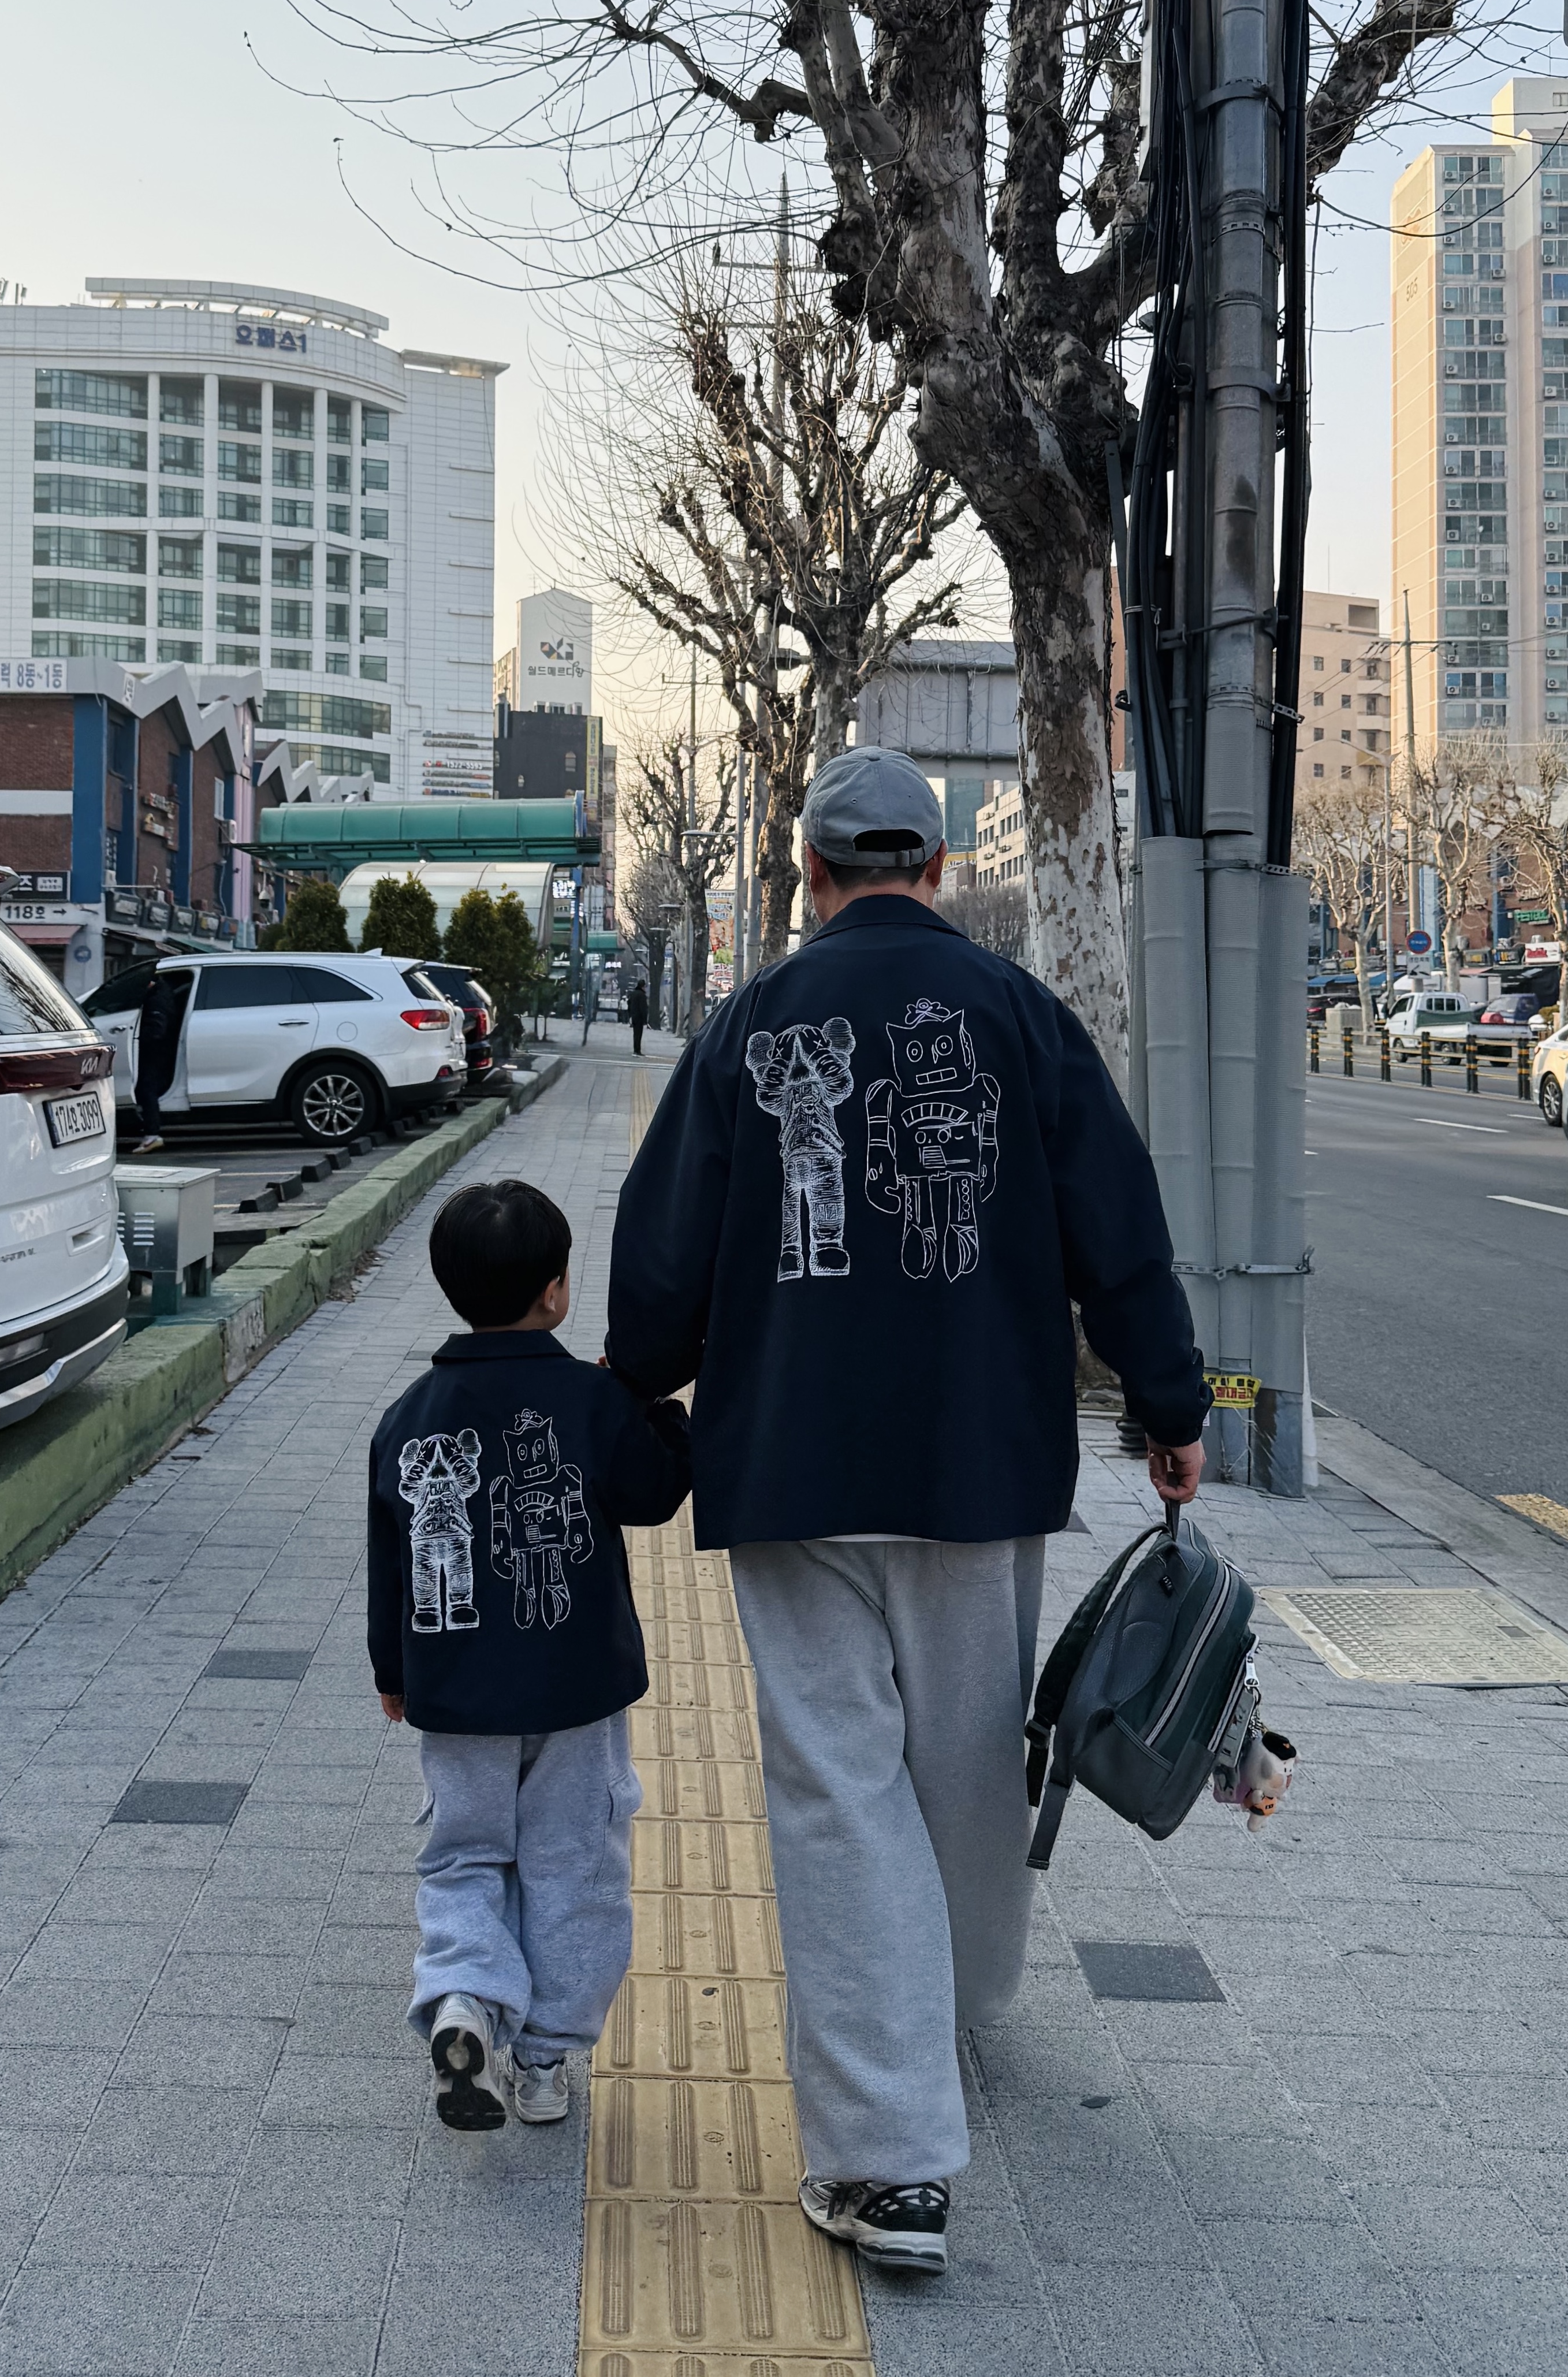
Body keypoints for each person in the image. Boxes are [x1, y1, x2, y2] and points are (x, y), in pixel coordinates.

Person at [605, 746, 1209, 2276]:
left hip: (792, 1463)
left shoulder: (747, 1022)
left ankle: (885, 2157)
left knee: (834, 1783)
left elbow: (664, 1252)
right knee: (960, 1755)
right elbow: (1115, 1217)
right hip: (978, 1460)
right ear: (933, 870)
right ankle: (948, 2010)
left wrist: (643, 1388)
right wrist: (1167, 1402)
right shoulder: (1020, 1017)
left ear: (809, 871)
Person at [369, 1180, 692, 2131]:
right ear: (557, 1291)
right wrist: (661, 1412)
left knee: (464, 1854)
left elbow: (390, 1557)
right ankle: (546, 2062)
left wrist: (394, 1672)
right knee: (573, 1864)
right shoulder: (591, 1401)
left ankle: (464, 1998)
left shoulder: (409, 1416)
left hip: (456, 1689)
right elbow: (655, 1492)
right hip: (576, 1684)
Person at [128, 965, 191, 1153]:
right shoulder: (162, 992)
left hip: (157, 1050)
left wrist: (138, 1039)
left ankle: (152, 1135)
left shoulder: (157, 999)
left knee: (148, 1089)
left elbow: (156, 1030)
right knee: (147, 1088)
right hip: (163, 1049)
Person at [625, 977, 650, 1057]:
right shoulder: (642, 995)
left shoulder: (633, 994)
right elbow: (644, 1008)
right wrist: (645, 1020)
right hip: (640, 1017)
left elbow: (629, 1004)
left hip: (634, 1016)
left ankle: (636, 1049)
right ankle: (638, 1050)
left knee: (635, 1034)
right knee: (639, 1034)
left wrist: (630, 1015)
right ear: (643, 986)